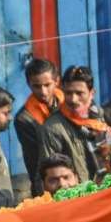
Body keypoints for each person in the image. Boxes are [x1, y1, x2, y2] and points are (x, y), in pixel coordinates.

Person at [38, 66, 111, 184]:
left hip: (105, 186)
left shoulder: (99, 117)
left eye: (79, 93)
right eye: (68, 93)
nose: (73, 99)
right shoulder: (52, 128)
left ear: (92, 93)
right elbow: (47, 175)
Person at [15, 58, 64, 194]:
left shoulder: (68, 102)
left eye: (47, 85)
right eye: (37, 86)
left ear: (57, 81)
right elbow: (35, 160)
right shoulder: (24, 119)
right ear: (28, 84)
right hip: (48, 181)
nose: (43, 91)